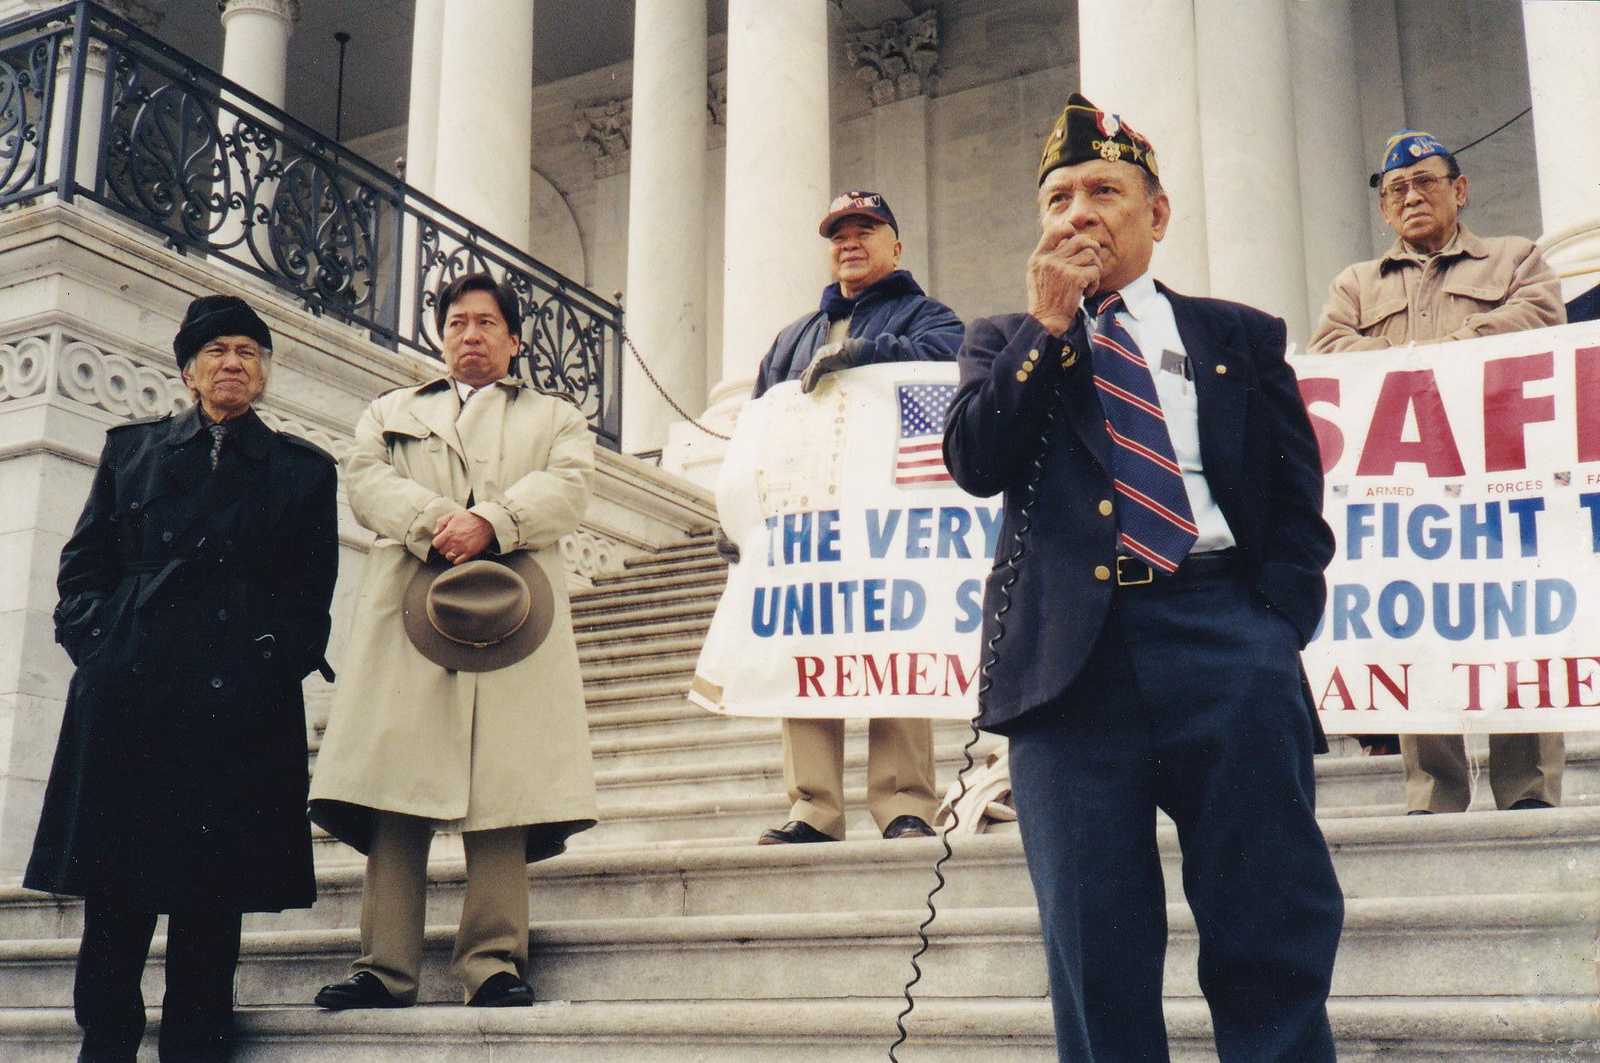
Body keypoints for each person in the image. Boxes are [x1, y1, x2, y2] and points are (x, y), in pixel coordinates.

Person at [943, 93, 1344, 1061]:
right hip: (1070, 666)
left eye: (1103, 190)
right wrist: (1047, 330)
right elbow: (975, 460)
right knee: (1096, 950)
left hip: (1223, 637)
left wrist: (1271, 627)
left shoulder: (1237, 338)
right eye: (1058, 197)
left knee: (1269, 923)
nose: (1077, 212)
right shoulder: (1004, 340)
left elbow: (1296, 501)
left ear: (1155, 214)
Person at [25, 295, 339, 1062]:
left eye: (249, 351)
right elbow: (81, 570)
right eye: (218, 350)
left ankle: (196, 1044)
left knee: (212, 895)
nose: (234, 363)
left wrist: (265, 665)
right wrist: (103, 642)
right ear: (189, 369)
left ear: (263, 373)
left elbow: (310, 601)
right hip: (130, 699)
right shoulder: (130, 451)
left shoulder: (303, 471)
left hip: (235, 712)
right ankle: (106, 1041)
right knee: (117, 895)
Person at [308, 273, 597, 1009]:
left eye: (487, 323)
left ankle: (493, 962)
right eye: (458, 323)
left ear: (514, 339)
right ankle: (384, 966)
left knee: (504, 789)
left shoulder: (556, 416)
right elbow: (366, 479)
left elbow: (567, 487)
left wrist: (494, 520)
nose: (471, 335)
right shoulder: (390, 410)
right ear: (442, 336)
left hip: (514, 614)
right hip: (408, 611)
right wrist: (440, 518)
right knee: (393, 789)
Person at [1308, 129, 1567, 815]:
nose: (1411, 195)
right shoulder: (1355, 284)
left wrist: (1428, 354)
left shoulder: (1516, 258)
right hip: (1410, 491)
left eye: (1425, 181)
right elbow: (1330, 347)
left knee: (1519, 627)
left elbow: (1540, 319)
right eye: (1396, 189)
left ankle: (1528, 791)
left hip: (1505, 477)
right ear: (1385, 210)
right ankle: (1434, 794)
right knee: (1414, 627)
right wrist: (1429, 362)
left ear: (1460, 189)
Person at [729, 190, 963, 846]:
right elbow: (757, 426)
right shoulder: (793, 336)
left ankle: (905, 802)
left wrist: (868, 353)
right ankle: (813, 806)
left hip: (890, 514)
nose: (850, 243)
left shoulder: (928, 315)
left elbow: (955, 358)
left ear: (897, 245)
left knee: (895, 648)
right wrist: (738, 512)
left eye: (866, 229)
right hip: (809, 516)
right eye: (839, 234)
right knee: (806, 649)